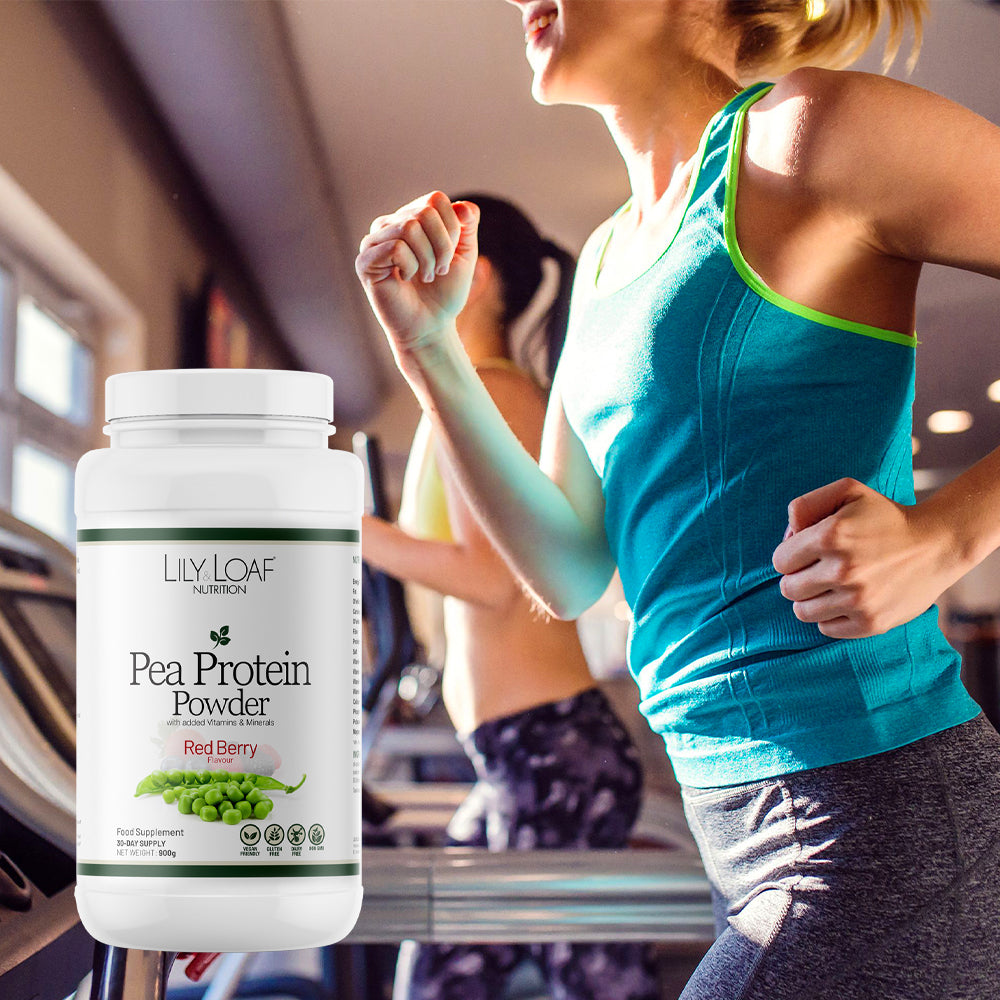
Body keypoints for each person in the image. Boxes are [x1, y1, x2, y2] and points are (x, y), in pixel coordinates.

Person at [356, 3, 1000, 997]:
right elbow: (569, 567)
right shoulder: (610, 257)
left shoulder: (808, 132)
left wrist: (946, 532)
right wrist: (428, 349)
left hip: (875, 812)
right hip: (731, 827)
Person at [361, 193, 660, 1000]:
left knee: (577, 980)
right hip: (520, 755)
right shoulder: (469, 395)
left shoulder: (494, 394)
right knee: (444, 976)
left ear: (475, 271)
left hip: (551, 748)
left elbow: (494, 581)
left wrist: (348, 527)